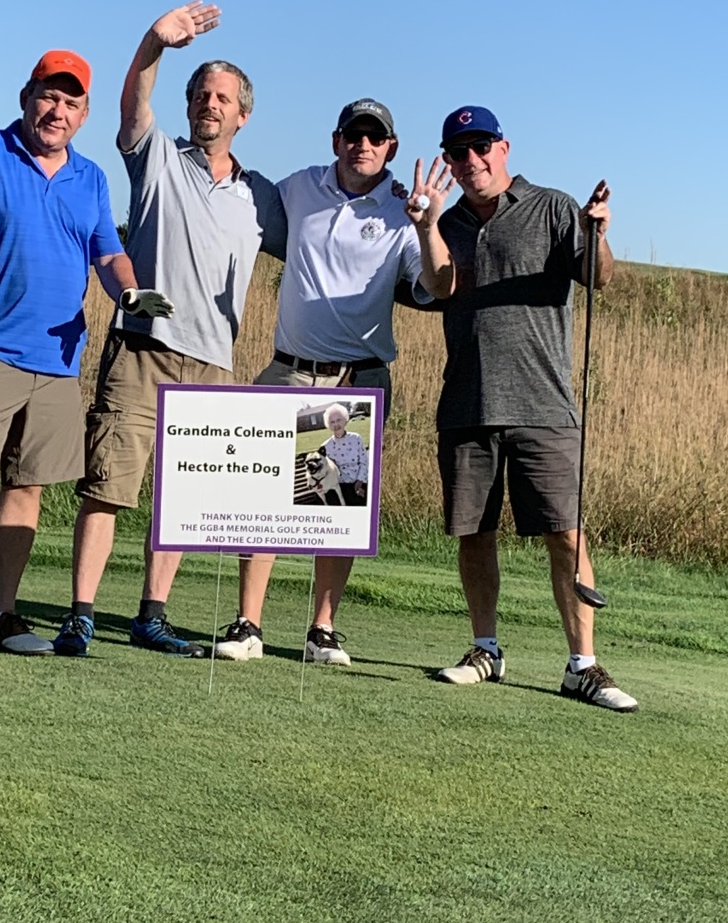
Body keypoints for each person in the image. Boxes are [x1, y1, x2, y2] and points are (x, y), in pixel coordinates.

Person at [0, 51, 172, 662]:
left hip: (58, 359)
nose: (57, 111)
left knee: (27, 486)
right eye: (48, 97)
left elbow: (108, 253)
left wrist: (128, 290)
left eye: (71, 102)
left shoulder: (91, 178)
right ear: (27, 97)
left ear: (83, 115)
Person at [54, 2, 287, 659]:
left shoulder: (261, 195)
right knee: (108, 483)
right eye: (201, 94)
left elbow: (322, 249)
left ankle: (151, 615)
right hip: (142, 349)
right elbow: (133, 104)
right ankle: (81, 614)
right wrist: (154, 43)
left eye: (222, 98)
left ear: (243, 114)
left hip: (212, 364)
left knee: (183, 502)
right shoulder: (156, 158)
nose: (209, 104)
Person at [216, 99, 455, 666]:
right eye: (354, 134)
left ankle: (322, 628)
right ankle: (249, 621)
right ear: (336, 139)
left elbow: (440, 286)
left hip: (357, 376)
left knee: (336, 507)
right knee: (261, 499)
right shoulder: (298, 189)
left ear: (390, 148)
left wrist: (428, 224)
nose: (363, 145)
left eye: (375, 138)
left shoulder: (405, 212)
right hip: (290, 366)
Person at [429, 105, 638, 711]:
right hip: (467, 400)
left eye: (481, 147)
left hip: (544, 405)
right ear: (448, 160)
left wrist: (598, 230)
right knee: (475, 533)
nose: (472, 161)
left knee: (566, 536)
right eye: (459, 152)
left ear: (504, 148)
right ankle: (485, 649)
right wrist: (426, 224)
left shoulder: (551, 207)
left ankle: (583, 665)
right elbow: (437, 285)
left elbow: (598, 277)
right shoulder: (447, 222)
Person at [318, 402, 368, 506]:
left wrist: (359, 482)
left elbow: (364, 462)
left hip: (360, 481)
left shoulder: (356, 438)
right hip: (340, 487)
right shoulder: (325, 447)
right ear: (328, 425)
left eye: (338, 420)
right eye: (332, 422)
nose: (336, 425)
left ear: (345, 420)